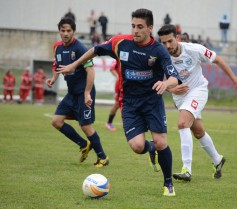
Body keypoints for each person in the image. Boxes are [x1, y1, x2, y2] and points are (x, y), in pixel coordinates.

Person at [58, 8, 181, 196]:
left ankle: (168, 183)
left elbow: (174, 77)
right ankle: (150, 149)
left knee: (161, 141)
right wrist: (74, 65)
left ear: (150, 28)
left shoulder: (158, 51)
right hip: (130, 103)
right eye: (133, 26)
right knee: (137, 146)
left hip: (152, 102)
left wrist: (165, 83)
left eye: (140, 27)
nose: (135, 30)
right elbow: (95, 50)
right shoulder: (121, 43)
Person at [157, 24, 237, 181]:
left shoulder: (194, 49)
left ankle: (187, 169)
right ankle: (218, 160)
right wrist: (171, 90)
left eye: (170, 41)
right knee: (198, 131)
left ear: (177, 38)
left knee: (182, 124)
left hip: (198, 90)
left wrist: (236, 82)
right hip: (180, 97)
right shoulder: (162, 56)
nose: (167, 46)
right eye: (163, 42)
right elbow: (158, 82)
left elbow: (218, 60)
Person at [45, 17, 109, 168]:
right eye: (63, 30)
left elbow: (91, 71)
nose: (65, 33)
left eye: (69, 30)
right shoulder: (58, 47)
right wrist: (53, 79)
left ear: (74, 31)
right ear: (59, 31)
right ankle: (83, 144)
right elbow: (57, 65)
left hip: (83, 93)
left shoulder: (80, 48)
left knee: (86, 126)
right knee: (56, 121)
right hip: (72, 93)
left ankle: (103, 157)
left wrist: (87, 93)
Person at [105, 60, 120, 132]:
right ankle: (109, 123)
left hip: (129, 85)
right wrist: (117, 76)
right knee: (117, 104)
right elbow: (112, 68)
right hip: (120, 86)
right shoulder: (117, 59)